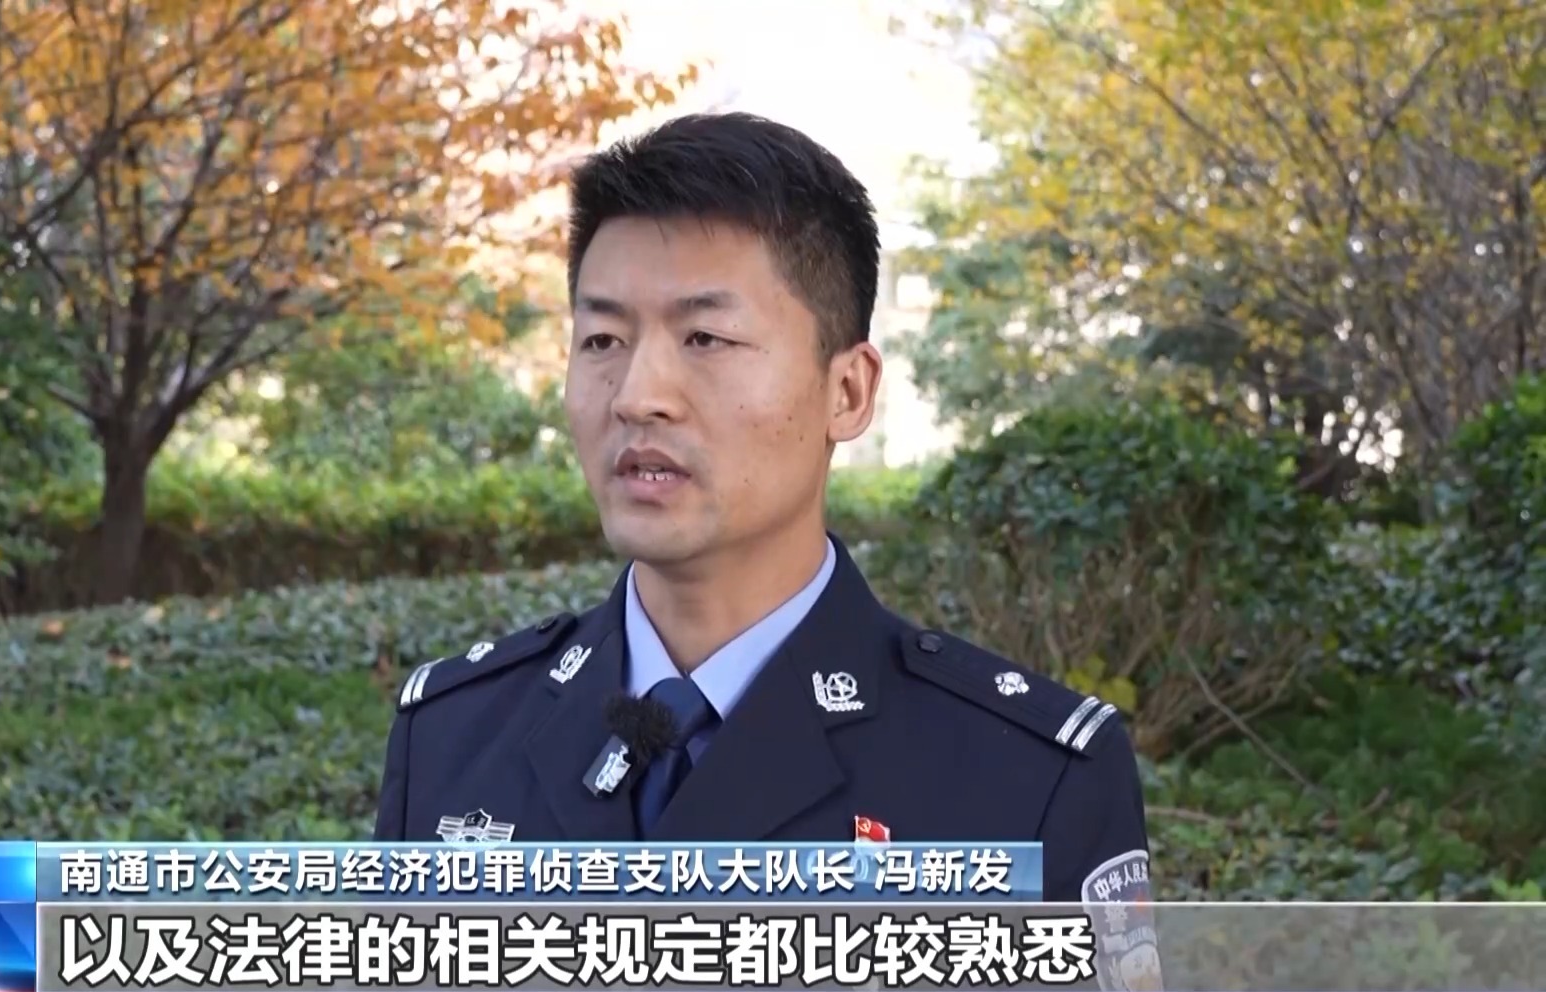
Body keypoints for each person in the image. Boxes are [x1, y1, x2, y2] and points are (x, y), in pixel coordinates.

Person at [372, 113, 1154, 920]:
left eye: (706, 338)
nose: (638, 396)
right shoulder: (452, 736)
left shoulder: (1027, 778)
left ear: (847, 392)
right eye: (602, 340)